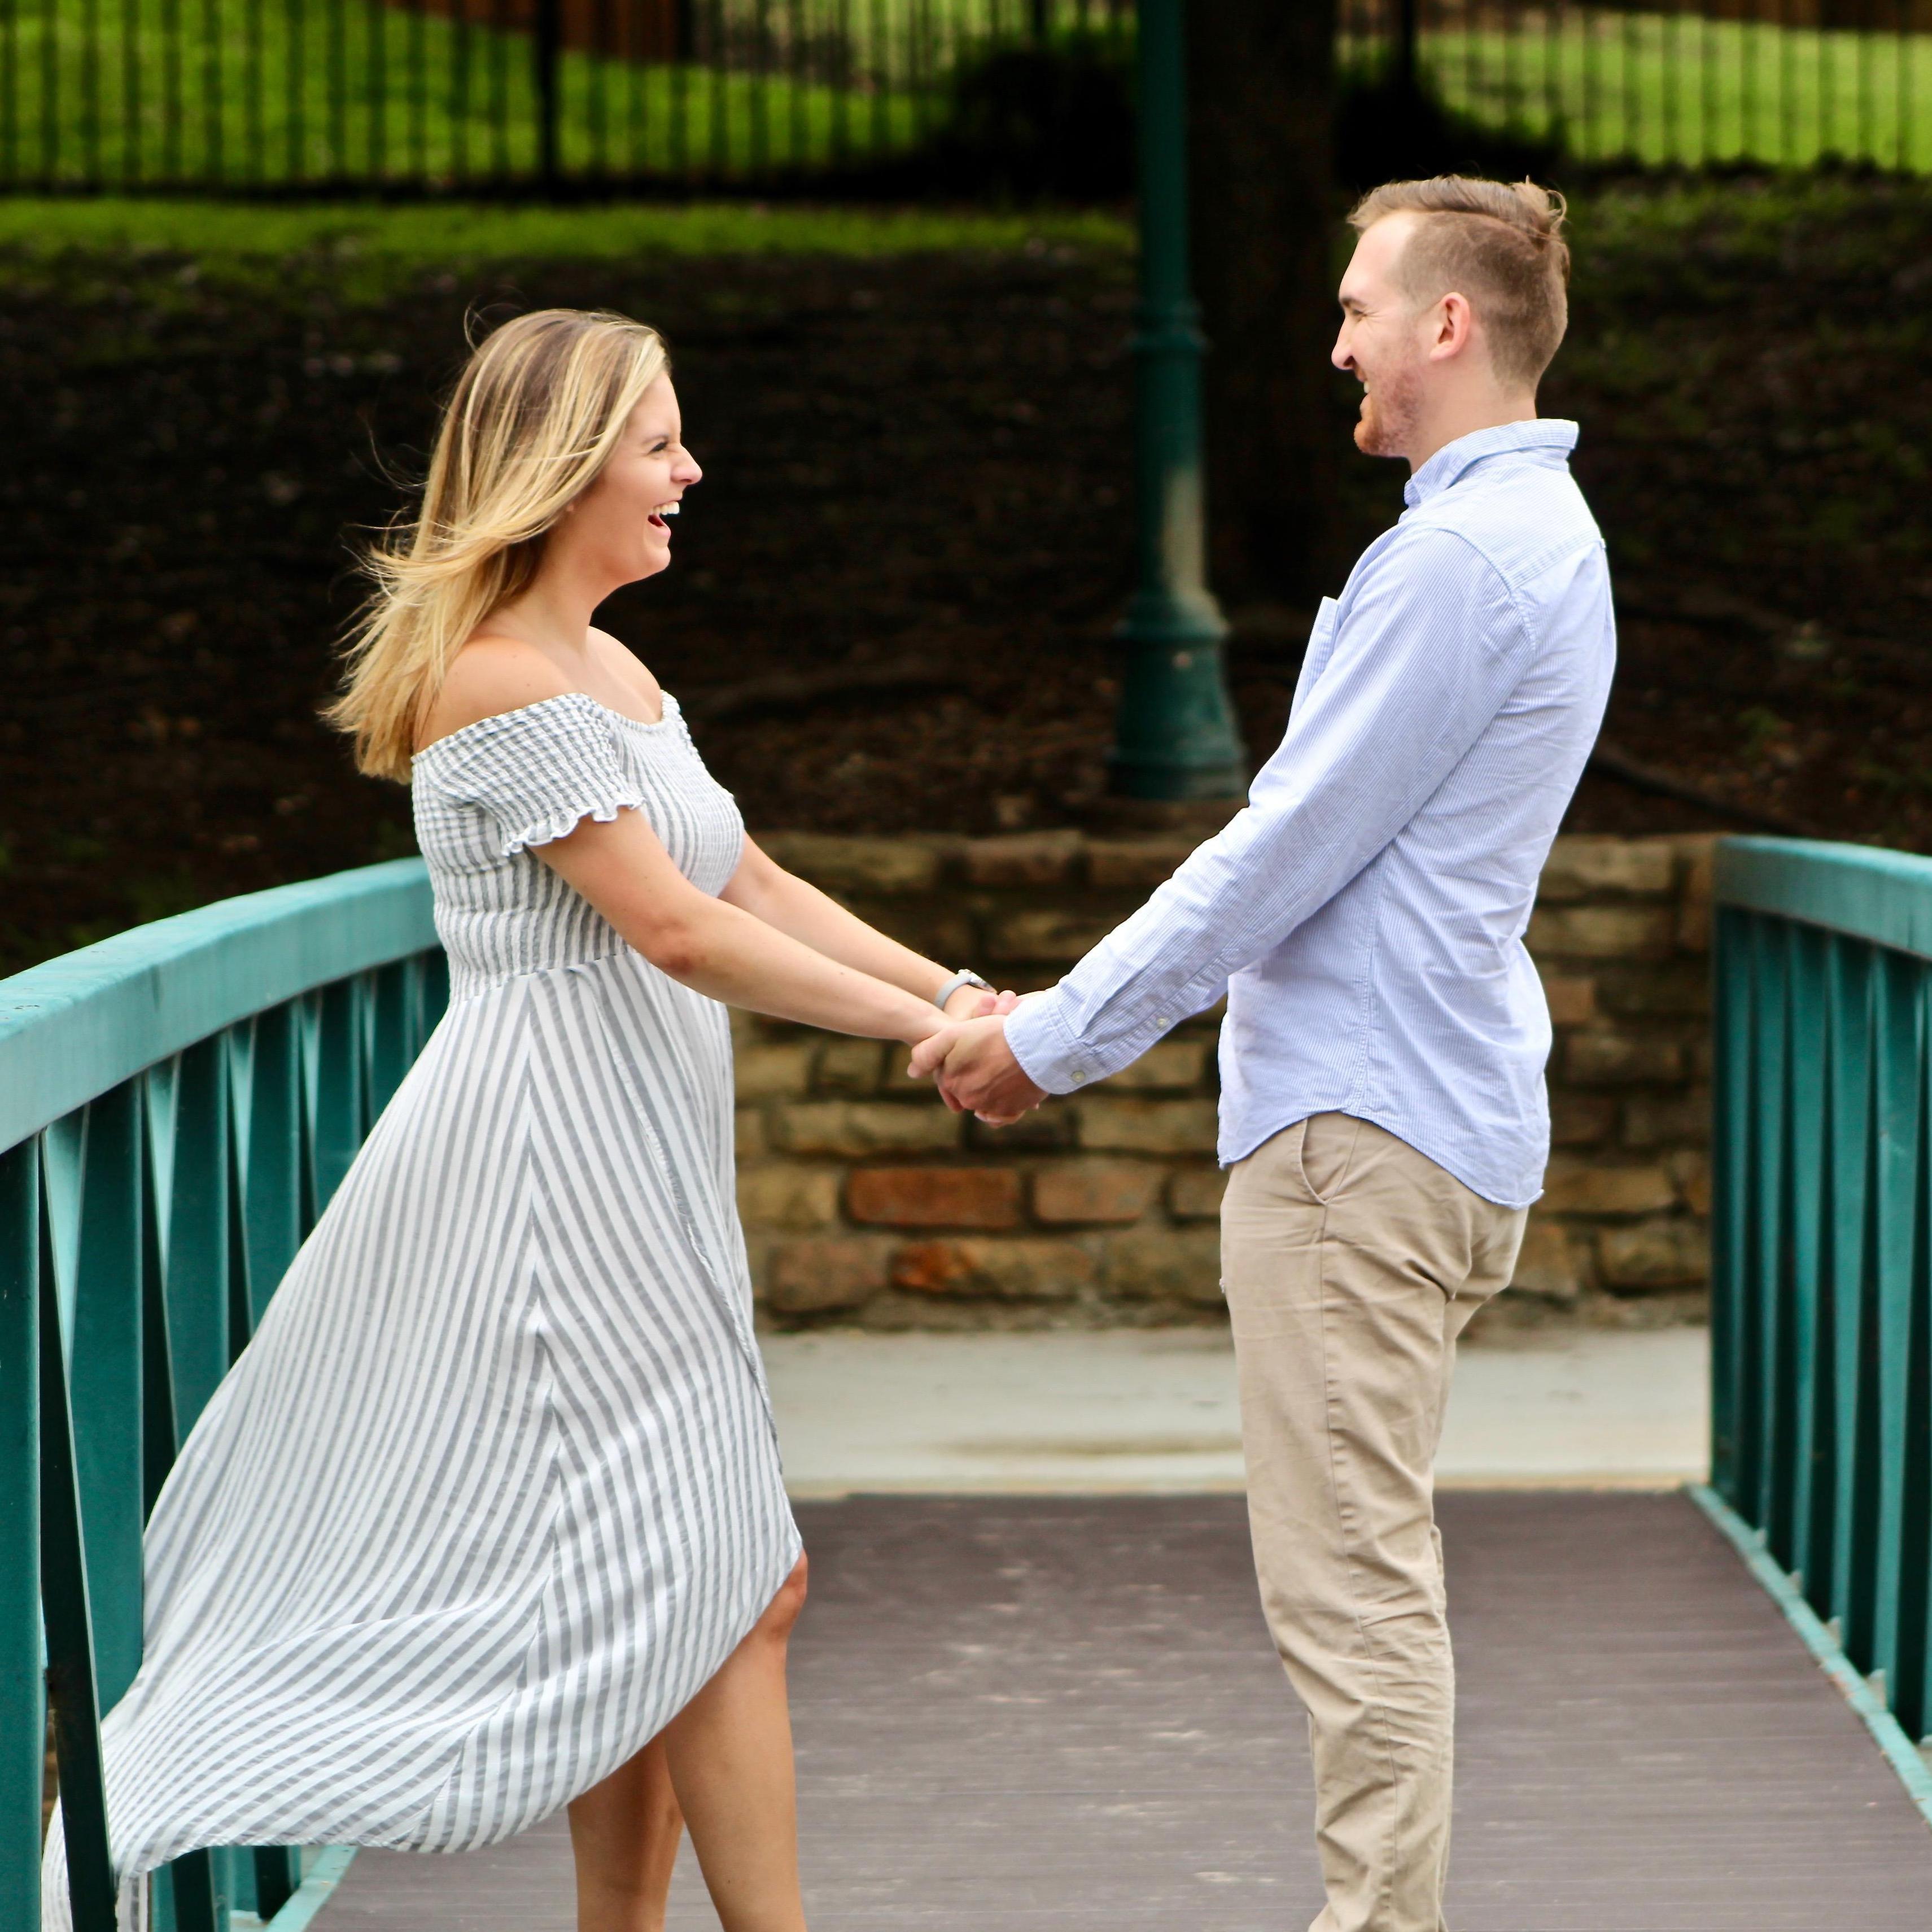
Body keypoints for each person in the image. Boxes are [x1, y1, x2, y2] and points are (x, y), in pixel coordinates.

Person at [43, 308, 1012, 1932]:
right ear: (562, 472)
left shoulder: (614, 669)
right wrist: (934, 1037)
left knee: (656, 1597)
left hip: (640, 1168)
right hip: (556, 1180)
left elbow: (750, 879)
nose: (691, 471)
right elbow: (677, 932)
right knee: (734, 1582)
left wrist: (970, 992)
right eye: (660, 443)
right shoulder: (495, 682)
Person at [914, 178, 1615, 1932]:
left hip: (1356, 1137)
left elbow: (1280, 853)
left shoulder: (1459, 561)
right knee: (1363, 1572)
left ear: (1448, 323)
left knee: (1350, 1589)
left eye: (1359, 308)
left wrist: (1052, 1041)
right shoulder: (1538, 535)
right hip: (1426, 1113)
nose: (1338, 345)